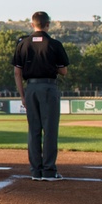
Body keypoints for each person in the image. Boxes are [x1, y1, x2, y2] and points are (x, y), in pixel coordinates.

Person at [12, 11, 70, 181]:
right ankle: (49, 170)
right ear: (48, 24)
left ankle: (36, 171)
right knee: (50, 130)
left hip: (30, 88)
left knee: (34, 130)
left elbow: (17, 72)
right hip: (48, 87)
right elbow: (64, 71)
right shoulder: (54, 44)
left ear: (32, 24)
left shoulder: (23, 44)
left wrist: (22, 95)